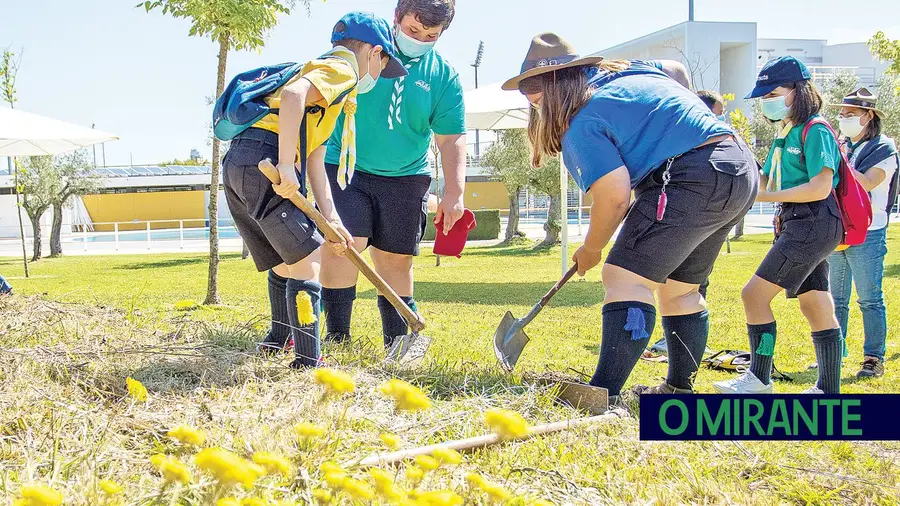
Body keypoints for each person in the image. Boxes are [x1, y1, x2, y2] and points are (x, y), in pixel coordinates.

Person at [504, 33, 757, 399]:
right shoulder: (632, 72)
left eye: (539, 104)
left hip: (688, 175)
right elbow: (677, 69)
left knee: (623, 278)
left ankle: (602, 393)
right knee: (680, 289)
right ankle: (677, 389)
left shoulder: (582, 122)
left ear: (557, 90)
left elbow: (615, 197)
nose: (539, 112)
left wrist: (592, 250)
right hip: (737, 165)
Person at [222, 12, 407, 368]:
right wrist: (285, 163)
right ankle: (308, 360)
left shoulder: (327, 92)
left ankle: (278, 340)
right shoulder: (342, 69)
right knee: (310, 262)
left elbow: (315, 161)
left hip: (239, 163)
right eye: (383, 64)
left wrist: (332, 220)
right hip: (267, 156)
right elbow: (292, 96)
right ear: (374, 52)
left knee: (286, 259)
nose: (379, 73)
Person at [318, 0, 466, 349]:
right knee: (343, 246)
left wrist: (454, 192)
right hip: (345, 164)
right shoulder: (361, 50)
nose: (420, 39)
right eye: (413, 31)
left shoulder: (443, 76)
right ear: (396, 19)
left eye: (431, 35)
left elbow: (450, 138)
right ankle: (338, 338)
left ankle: (399, 344)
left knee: (395, 259)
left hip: (406, 175)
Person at [714, 56, 844, 395]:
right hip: (798, 223)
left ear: (798, 90)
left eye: (773, 92)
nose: (767, 101)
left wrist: (765, 198)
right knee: (814, 302)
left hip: (813, 222)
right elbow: (767, 180)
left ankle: (759, 379)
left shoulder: (815, 130)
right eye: (764, 96)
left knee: (754, 295)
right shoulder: (785, 134)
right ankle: (827, 390)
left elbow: (820, 187)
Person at [829, 87, 898, 379]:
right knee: (837, 298)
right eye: (842, 114)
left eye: (851, 114)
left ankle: (873, 358)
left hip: (869, 232)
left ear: (868, 116)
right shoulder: (843, 146)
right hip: (838, 231)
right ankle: (832, 353)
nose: (844, 119)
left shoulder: (884, 149)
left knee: (869, 298)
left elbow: (868, 183)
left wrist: (838, 161)